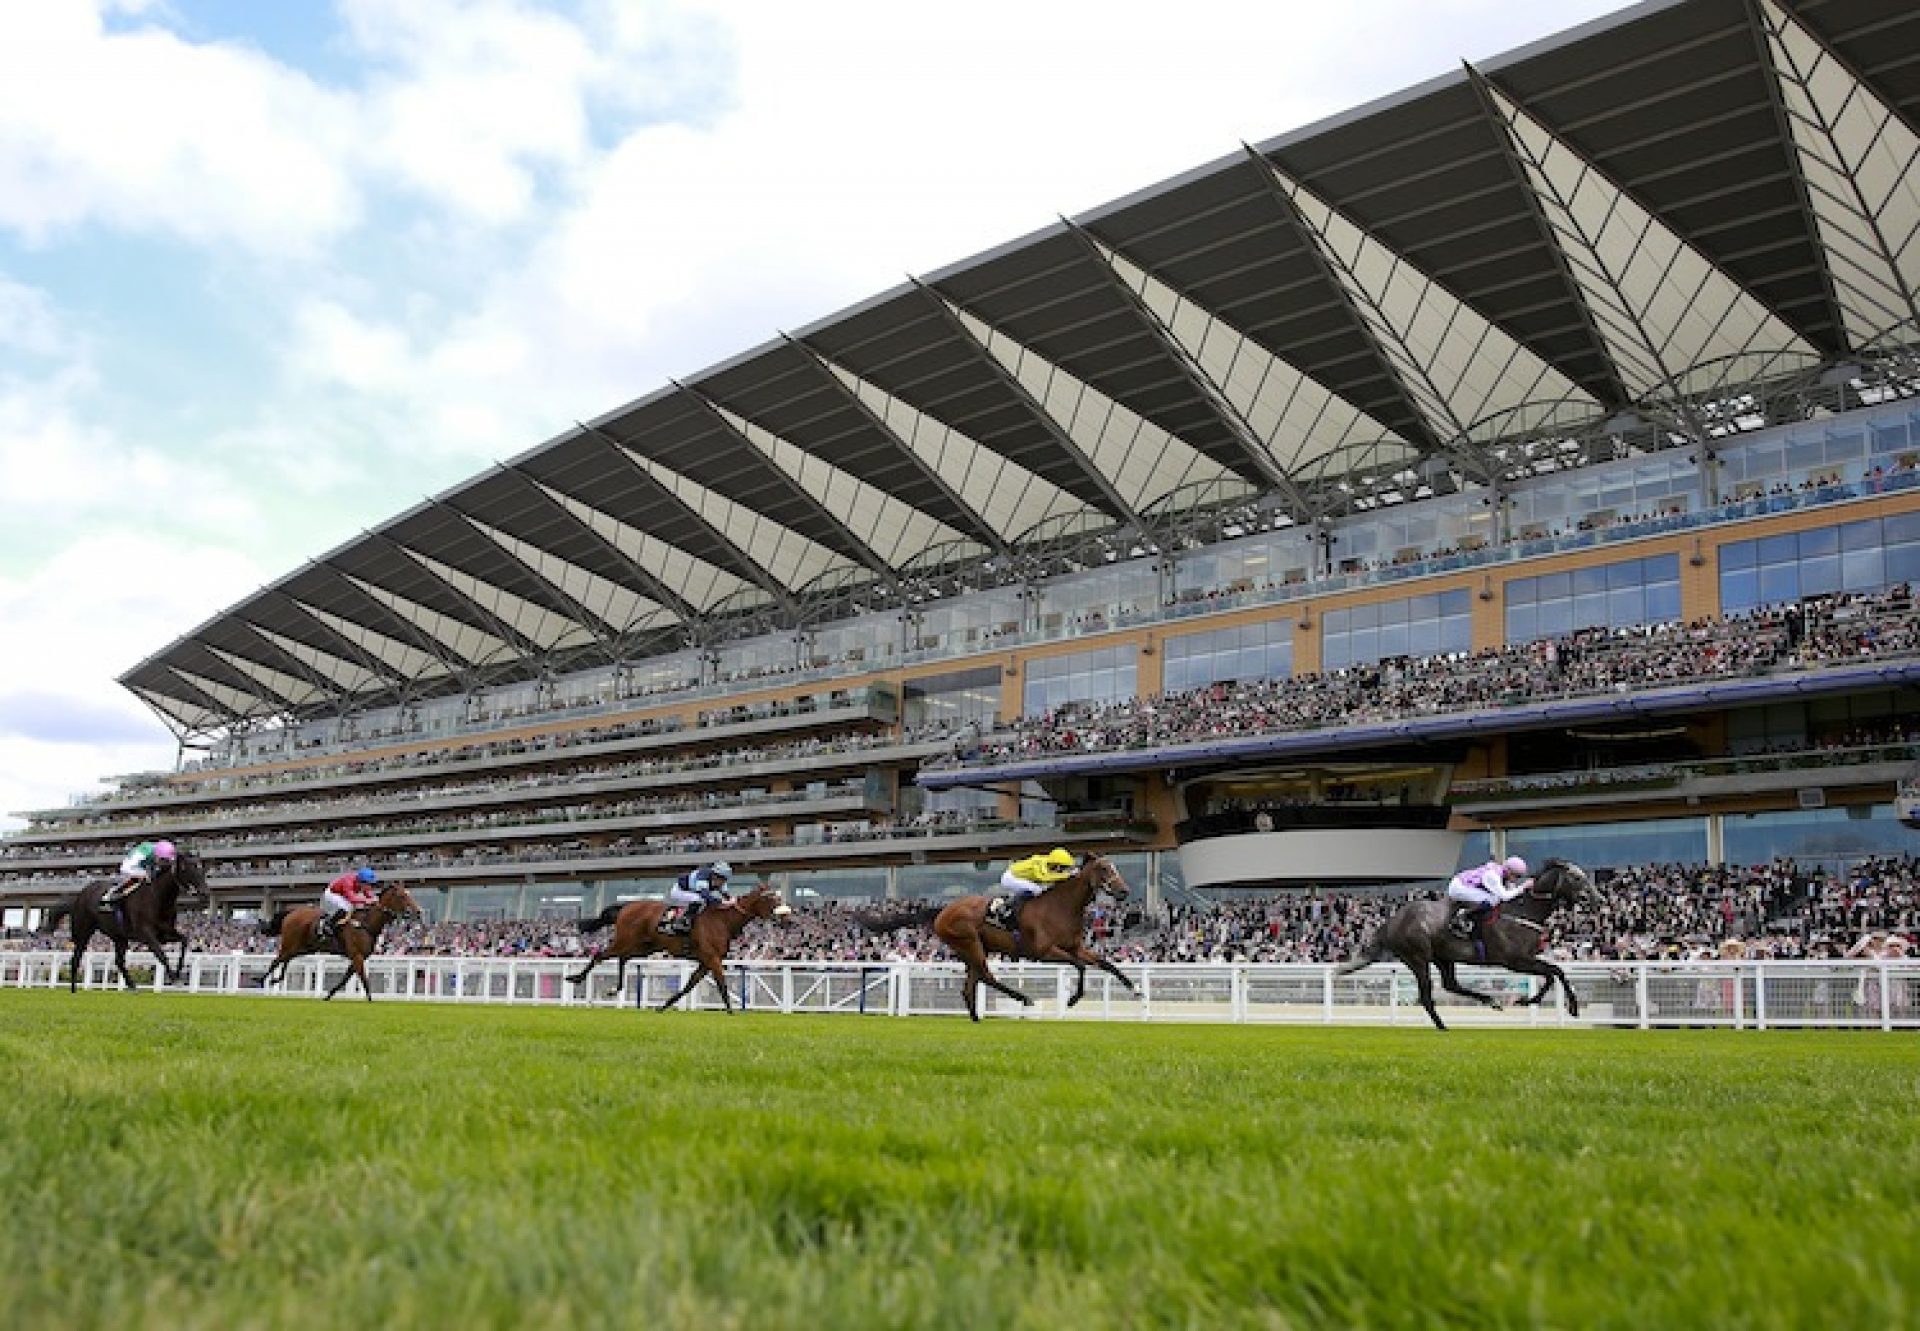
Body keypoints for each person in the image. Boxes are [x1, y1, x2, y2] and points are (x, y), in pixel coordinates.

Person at [1446, 855, 1530, 939]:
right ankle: (1464, 915)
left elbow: (1512, 891)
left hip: (1466, 884)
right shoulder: (1492, 876)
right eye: (1517, 876)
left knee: (1495, 898)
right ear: (1509, 871)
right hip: (1458, 887)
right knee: (1493, 900)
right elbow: (1505, 896)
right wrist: (1523, 887)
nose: (1517, 879)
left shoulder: (1503, 873)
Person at [996, 847, 1078, 931]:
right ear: (1056, 864)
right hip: (1010, 877)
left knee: (1040, 889)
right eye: (1063, 867)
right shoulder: (1039, 865)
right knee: (1036, 889)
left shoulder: (1049, 864)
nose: (1063, 870)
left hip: (1023, 877)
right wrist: (1068, 875)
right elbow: (1045, 878)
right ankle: (1007, 908)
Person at [101, 839, 177, 910]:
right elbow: (127, 867)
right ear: (157, 855)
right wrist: (145, 874)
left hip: (142, 866)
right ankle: (109, 896)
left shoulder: (159, 851)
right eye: (164, 861)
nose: (165, 863)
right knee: (139, 879)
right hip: (129, 867)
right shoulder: (145, 850)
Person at [666, 861, 733, 934]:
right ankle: (682, 921)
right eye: (722, 880)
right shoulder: (702, 876)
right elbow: (705, 895)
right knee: (699, 899)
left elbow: (727, 896)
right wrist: (721, 901)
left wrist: (731, 900)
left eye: (724, 880)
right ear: (715, 876)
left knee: (704, 900)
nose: (722, 883)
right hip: (679, 891)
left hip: (692, 891)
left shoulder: (721, 881)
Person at [320, 867, 379, 943]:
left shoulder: (362, 884)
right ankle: (327, 925)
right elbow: (352, 899)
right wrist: (367, 900)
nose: (370, 887)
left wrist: (374, 899)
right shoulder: (348, 882)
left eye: (372, 884)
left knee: (356, 905)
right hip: (332, 894)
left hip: (342, 894)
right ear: (361, 882)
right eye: (369, 884)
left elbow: (368, 894)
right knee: (347, 907)